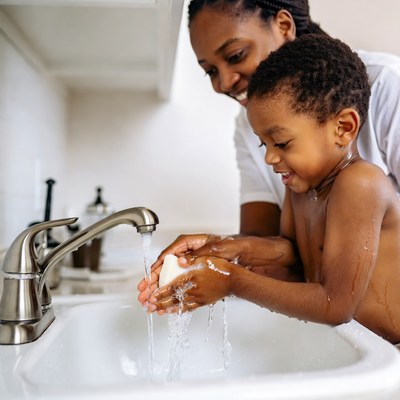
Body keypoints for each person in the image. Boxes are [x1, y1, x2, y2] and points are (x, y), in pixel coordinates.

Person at [139, 34, 400, 344]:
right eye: (264, 143)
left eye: (282, 143)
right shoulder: (301, 187)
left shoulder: (360, 183)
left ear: (342, 128)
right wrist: (219, 247)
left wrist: (230, 280)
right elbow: (290, 254)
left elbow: (335, 306)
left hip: (391, 355)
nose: (269, 157)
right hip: (357, 348)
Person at [187, 0, 400, 237]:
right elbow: (263, 239)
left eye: (236, 56)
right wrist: (209, 252)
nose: (224, 83)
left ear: (284, 27)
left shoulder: (387, 84)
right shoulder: (248, 125)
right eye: (211, 71)